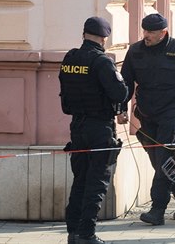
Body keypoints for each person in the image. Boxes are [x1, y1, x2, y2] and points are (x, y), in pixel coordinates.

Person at [119, 13, 175, 226]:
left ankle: (157, 209)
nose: (146, 35)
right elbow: (126, 83)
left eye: (151, 32)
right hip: (148, 112)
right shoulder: (135, 51)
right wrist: (121, 108)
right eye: (145, 31)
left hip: (172, 112)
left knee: (165, 160)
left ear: (163, 33)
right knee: (160, 162)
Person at [59, 17, 129, 244]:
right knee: (96, 183)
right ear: (104, 38)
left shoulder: (69, 59)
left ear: (83, 34)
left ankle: (73, 232)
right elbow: (120, 94)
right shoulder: (102, 62)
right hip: (100, 127)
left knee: (80, 181)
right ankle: (87, 234)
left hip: (77, 127)